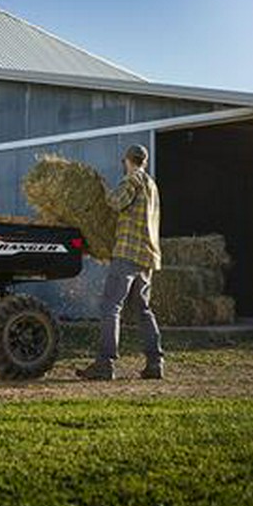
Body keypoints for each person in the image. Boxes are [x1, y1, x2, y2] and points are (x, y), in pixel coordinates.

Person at [76, 144, 164, 381]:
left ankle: (105, 364)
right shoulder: (152, 185)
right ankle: (155, 363)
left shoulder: (132, 179)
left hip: (127, 253)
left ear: (127, 161)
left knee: (111, 306)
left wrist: (103, 189)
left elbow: (116, 202)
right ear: (145, 161)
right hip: (147, 256)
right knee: (143, 310)